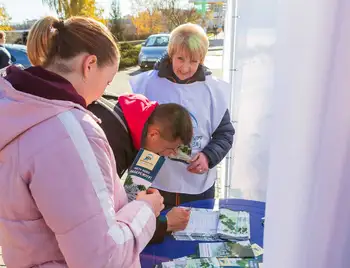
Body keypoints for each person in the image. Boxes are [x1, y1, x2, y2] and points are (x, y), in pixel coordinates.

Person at [0, 16, 164, 268]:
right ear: (89, 64)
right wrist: (145, 209)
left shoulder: (15, 108)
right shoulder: (68, 131)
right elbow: (101, 258)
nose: (101, 93)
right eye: (108, 81)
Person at [130, 23, 235, 209]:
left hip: (198, 186)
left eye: (194, 61)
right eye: (180, 58)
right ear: (171, 54)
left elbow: (225, 133)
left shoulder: (212, 90)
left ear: (202, 60)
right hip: (156, 182)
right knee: (158, 232)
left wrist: (208, 156)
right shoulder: (147, 84)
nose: (185, 67)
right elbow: (133, 129)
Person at [88, 92, 192, 243]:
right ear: (153, 134)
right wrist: (163, 224)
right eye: (171, 148)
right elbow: (103, 225)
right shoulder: (113, 142)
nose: (170, 154)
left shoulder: (132, 116)